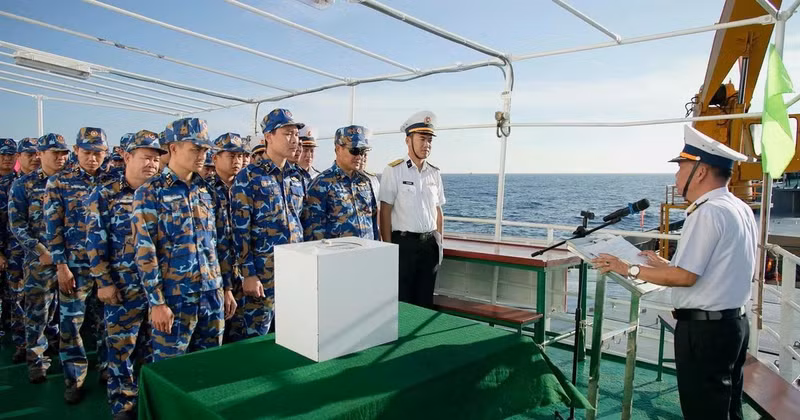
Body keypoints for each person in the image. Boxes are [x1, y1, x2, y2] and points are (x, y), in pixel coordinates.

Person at [592, 125, 757, 420]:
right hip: (733, 325)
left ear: (701, 172)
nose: (676, 176)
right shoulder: (738, 207)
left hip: (706, 332)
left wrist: (627, 268)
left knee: (703, 412)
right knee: (728, 409)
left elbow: (686, 278)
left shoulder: (708, 212)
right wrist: (664, 265)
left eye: (681, 168)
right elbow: (717, 269)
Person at [132, 118, 235, 363]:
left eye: (205, 150)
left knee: (210, 365)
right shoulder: (150, 193)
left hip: (212, 293)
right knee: (171, 369)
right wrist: (157, 302)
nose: (202, 155)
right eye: (195, 148)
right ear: (173, 148)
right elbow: (145, 251)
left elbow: (221, 244)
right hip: (175, 297)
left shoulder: (208, 192)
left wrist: (227, 288)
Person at [86, 130, 165, 420]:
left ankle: (149, 401)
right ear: (127, 157)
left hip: (157, 289)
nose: (152, 164)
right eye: (146, 157)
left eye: (156, 159)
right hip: (123, 287)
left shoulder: (162, 194)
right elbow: (95, 242)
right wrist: (104, 282)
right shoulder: (105, 195)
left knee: (154, 349)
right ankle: (123, 404)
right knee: (121, 349)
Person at [45, 127, 112, 403]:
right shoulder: (59, 182)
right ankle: (75, 378)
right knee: (71, 324)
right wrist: (61, 266)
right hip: (75, 266)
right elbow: (53, 227)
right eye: (87, 152)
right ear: (76, 151)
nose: (93, 158)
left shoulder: (113, 180)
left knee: (107, 321)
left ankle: (108, 368)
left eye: (98, 153)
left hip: (107, 267)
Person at [231, 108, 304, 337]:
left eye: (296, 134)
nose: (294, 140)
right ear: (268, 137)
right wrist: (248, 274)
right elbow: (240, 229)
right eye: (287, 134)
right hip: (263, 275)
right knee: (257, 336)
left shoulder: (296, 176)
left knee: (293, 334)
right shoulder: (249, 176)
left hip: (294, 270)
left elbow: (299, 222)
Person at [9, 133, 69, 383]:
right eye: (55, 153)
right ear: (41, 154)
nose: (60, 158)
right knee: (37, 312)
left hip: (70, 260)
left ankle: (65, 354)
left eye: (63, 153)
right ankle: (36, 360)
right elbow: (17, 224)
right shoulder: (24, 185)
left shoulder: (73, 181)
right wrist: (40, 250)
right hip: (40, 261)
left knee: (67, 312)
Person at [379, 111, 445, 308]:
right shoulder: (394, 170)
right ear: (408, 140)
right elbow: (385, 212)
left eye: (430, 140)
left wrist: (439, 244)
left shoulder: (434, 173)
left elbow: (438, 212)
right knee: (403, 302)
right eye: (422, 139)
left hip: (429, 246)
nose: (427, 145)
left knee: (425, 301)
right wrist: (389, 250)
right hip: (404, 245)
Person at [302, 125, 379, 241]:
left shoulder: (365, 182)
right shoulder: (321, 183)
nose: (359, 156)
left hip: (367, 249)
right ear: (338, 149)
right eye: (354, 151)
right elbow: (314, 230)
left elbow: (373, 222)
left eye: (362, 151)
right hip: (337, 251)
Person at [4, 137, 41, 364]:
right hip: (15, 252)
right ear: (20, 157)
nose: (35, 158)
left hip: (43, 256)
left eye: (38, 154)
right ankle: (21, 343)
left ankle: (45, 342)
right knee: (17, 299)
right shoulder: (12, 184)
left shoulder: (51, 183)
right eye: (29, 154)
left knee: (43, 303)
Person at [209, 133, 248, 343]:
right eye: (231, 156)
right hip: (216, 276)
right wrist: (225, 285)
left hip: (246, 273)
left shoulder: (248, 187)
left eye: (240, 156)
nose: (237, 161)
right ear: (215, 158)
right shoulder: (204, 190)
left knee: (243, 335)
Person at [0, 139, 22, 362]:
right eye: (3, 155)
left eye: (10, 155)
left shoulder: (20, 182)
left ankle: (17, 340)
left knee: (15, 296)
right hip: (2, 248)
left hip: (17, 249)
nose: (7, 159)